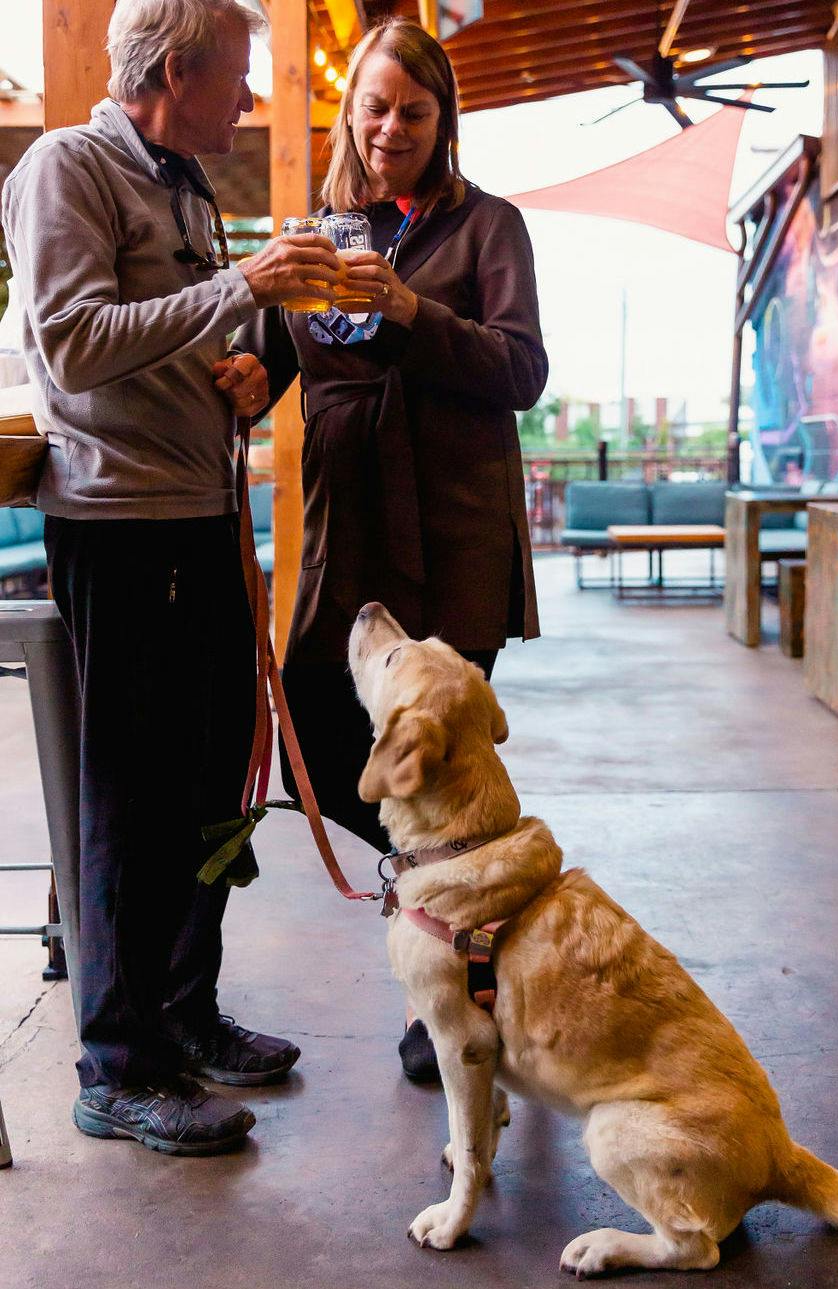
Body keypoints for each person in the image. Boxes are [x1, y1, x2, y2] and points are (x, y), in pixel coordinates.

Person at [1, 0, 347, 1155]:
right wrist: (242, 290)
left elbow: (172, 335)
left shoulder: (184, 185)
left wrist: (241, 372)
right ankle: (117, 1059)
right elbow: (74, 342)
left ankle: (184, 1010)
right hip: (118, 522)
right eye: (237, 76)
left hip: (200, 512)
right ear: (178, 68)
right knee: (130, 791)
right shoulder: (68, 167)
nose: (248, 100)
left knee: (211, 775)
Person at [229, 17, 547, 1082]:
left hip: (453, 529)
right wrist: (234, 379)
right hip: (348, 524)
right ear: (346, 113)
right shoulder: (317, 235)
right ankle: (447, 913)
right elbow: (263, 360)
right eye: (373, 105)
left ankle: (453, 989)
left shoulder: (488, 227)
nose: (389, 126)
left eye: (413, 109)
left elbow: (522, 371)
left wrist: (412, 310)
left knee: (448, 773)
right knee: (322, 745)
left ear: (442, 119)